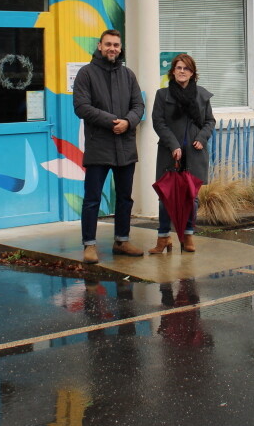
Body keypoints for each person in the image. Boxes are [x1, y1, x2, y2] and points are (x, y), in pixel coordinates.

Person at [73, 29, 145, 263]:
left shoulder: (129, 75)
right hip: (99, 147)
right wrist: (112, 121)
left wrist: (128, 122)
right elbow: (81, 107)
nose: (112, 48)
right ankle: (89, 245)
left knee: (125, 198)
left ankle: (122, 240)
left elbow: (138, 106)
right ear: (99, 46)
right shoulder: (86, 74)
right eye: (108, 44)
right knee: (92, 199)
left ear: (120, 48)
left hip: (125, 146)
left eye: (116, 45)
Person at [148, 53, 215, 254]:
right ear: (173, 71)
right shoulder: (162, 96)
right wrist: (173, 145)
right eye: (179, 68)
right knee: (165, 196)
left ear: (192, 73)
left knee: (191, 197)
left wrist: (201, 138)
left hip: (194, 154)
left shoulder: (201, 95)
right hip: (171, 153)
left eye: (186, 68)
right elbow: (158, 122)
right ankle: (163, 238)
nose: (182, 71)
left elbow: (210, 121)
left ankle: (187, 236)